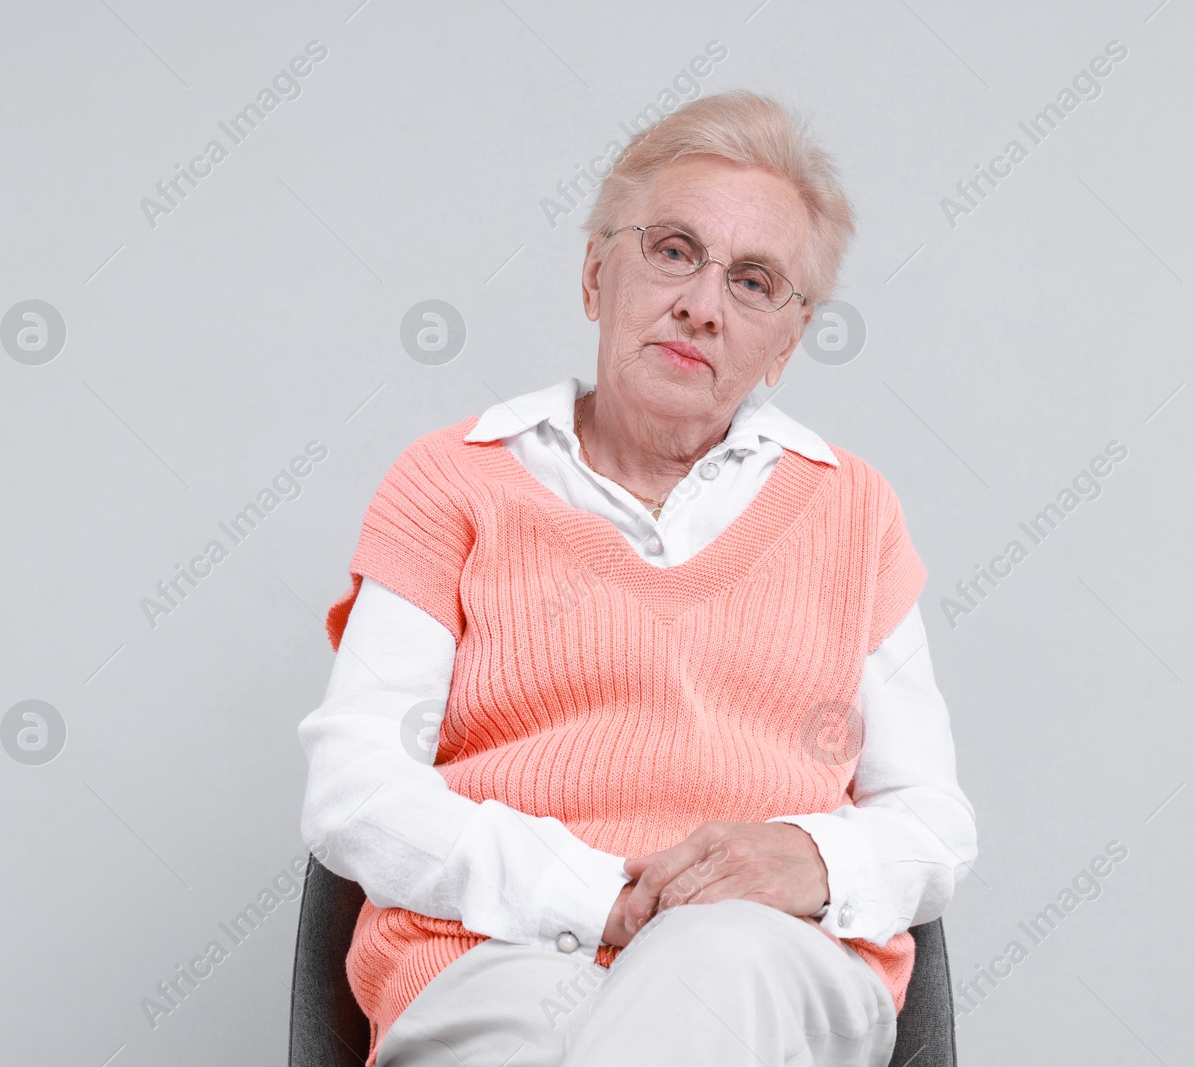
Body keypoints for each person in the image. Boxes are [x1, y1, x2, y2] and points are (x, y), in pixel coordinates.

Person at [298, 89, 977, 1067]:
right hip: (494, 955)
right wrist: (594, 893)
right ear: (593, 274)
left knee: (713, 957)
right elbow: (355, 786)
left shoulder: (852, 510)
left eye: (752, 281)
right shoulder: (450, 480)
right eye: (672, 250)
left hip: (768, 962)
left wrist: (812, 858)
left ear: (785, 342)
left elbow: (933, 822)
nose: (701, 304)